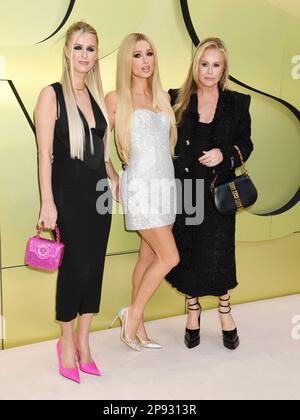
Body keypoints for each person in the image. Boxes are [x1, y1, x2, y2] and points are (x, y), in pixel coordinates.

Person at [34, 21, 119, 382]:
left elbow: (100, 152)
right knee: (73, 269)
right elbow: (44, 154)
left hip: (99, 195)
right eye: (79, 47)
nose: (85, 55)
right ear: (67, 51)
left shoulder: (99, 97)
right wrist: (47, 203)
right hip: (67, 196)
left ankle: (85, 341)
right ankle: (66, 342)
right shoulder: (50, 95)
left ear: (97, 54)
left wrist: (112, 174)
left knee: (94, 267)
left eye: (91, 48)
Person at [166, 37, 254, 350]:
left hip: (219, 191)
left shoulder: (237, 102)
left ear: (223, 69)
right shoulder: (176, 99)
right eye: (204, 64)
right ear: (196, 65)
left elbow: (246, 144)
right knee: (188, 251)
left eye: (216, 65)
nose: (209, 70)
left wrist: (224, 154)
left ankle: (225, 313)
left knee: (219, 253)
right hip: (187, 188)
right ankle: (192, 313)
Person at [106, 33, 179, 351]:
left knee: (148, 256)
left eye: (149, 53)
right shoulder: (115, 99)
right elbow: (98, 147)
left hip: (166, 187)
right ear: (127, 60)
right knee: (170, 256)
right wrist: (114, 177)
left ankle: (140, 326)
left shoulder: (162, 97)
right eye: (137, 55)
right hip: (140, 187)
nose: (145, 61)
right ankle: (131, 315)